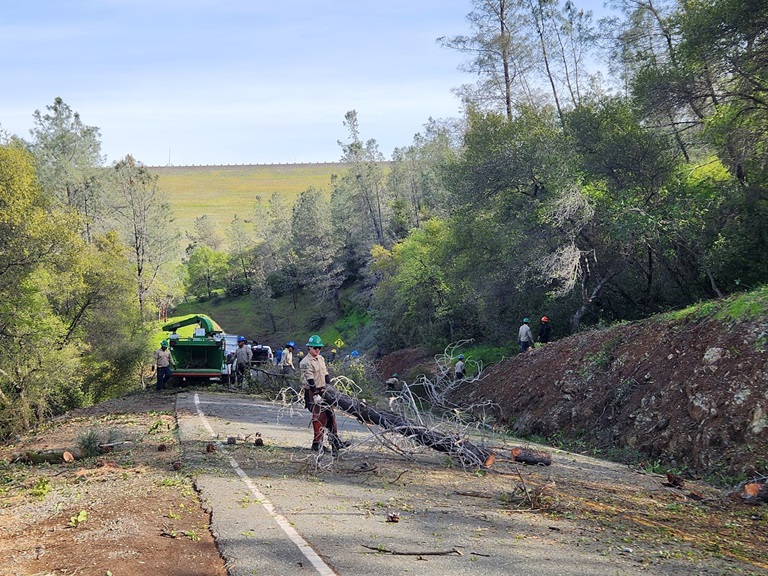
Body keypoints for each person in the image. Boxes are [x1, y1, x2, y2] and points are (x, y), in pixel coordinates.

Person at [300, 335, 348, 453]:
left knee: (331, 416)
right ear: (309, 347)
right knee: (319, 417)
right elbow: (310, 379)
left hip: (324, 390)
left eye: (319, 348)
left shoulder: (320, 359)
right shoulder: (305, 362)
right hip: (312, 391)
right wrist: (315, 394)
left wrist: (330, 388)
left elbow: (325, 374)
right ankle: (317, 443)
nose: (317, 350)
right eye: (315, 348)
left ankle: (335, 442)